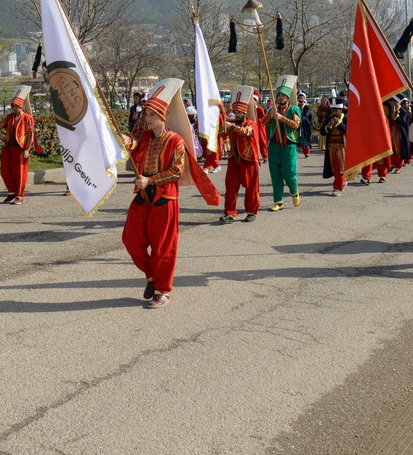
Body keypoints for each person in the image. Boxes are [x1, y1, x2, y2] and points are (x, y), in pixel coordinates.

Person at [123, 78, 220, 309]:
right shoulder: (144, 137)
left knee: (163, 248)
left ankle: (162, 290)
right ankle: (151, 276)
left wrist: (150, 179)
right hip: (143, 196)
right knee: (130, 240)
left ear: (162, 116)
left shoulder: (175, 140)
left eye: (152, 115)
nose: (147, 119)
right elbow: (131, 142)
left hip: (165, 198)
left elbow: (176, 171)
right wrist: (123, 139)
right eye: (146, 115)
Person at [0, 85, 40, 204]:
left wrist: (27, 149)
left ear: (21, 106)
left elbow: (30, 134)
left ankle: (20, 195)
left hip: (20, 148)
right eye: (13, 106)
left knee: (20, 172)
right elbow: (0, 126)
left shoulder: (28, 118)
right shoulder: (9, 117)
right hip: (8, 147)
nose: (14, 108)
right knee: (5, 171)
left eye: (16, 106)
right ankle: (11, 192)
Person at [220, 85, 262, 222]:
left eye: (239, 113)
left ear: (244, 112)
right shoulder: (231, 123)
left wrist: (231, 126)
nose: (237, 115)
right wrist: (218, 125)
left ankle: (252, 211)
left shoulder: (251, 123)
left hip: (248, 160)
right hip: (234, 159)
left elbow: (246, 132)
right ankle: (230, 212)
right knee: (230, 187)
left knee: (251, 188)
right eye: (235, 112)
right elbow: (221, 134)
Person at [265, 75, 302, 210]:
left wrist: (282, 118)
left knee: (289, 172)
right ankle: (278, 202)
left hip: (289, 145)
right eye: (279, 95)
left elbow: (296, 125)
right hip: (274, 145)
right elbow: (263, 123)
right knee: (275, 174)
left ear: (287, 97)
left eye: (283, 96)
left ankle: (294, 192)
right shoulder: (272, 109)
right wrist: (271, 115)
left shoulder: (294, 109)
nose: (280, 98)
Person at [321, 98, 348, 196]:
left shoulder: (346, 119)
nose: (334, 112)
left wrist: (339, 124)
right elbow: (322, 132)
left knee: (339, 168)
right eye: (333, 110)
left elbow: (349, 131)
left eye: (337, 110)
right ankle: (342, 181)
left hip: (342, 146)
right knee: (333, 168)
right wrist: (328, 126)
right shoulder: (329, 119)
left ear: (341, 110)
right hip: (331, 146)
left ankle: (337, 188)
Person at [296, 91, 314, 158]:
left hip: (305, 125)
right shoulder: (296, 107)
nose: (300, 98)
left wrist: (300, 120)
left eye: (302, 97)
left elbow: (306, 116)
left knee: (306, 138)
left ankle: (306, 152)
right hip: (297, 124)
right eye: (299, 97)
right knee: (296, 138)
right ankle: (295, 152)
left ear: (304, 98)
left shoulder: (307, 107)